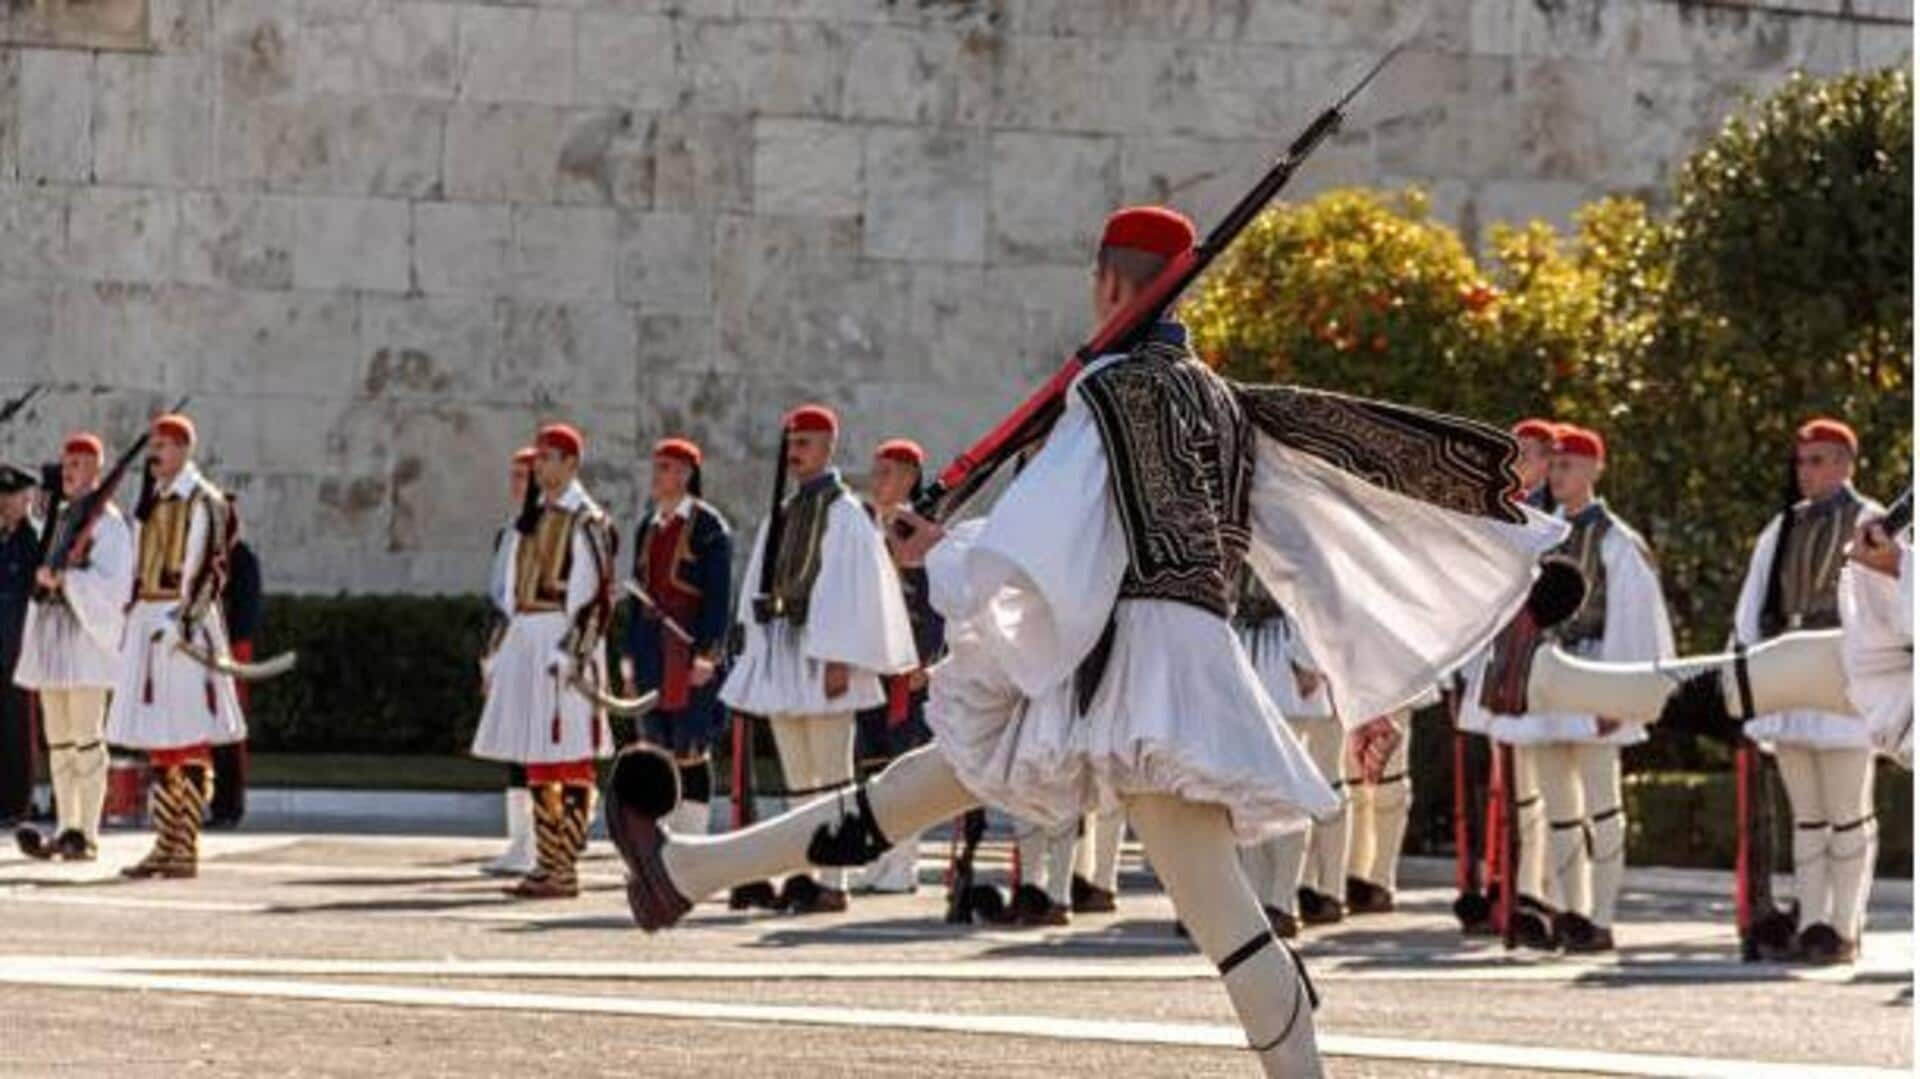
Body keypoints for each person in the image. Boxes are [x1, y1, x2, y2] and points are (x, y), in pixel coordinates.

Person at [609, 204, 1565, 1076]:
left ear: (1111, 284)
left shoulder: (1109, 394)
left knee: (1226, 920)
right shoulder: (1222, 403)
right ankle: (684, 870)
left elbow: (1051, 541)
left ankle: (1297, 1053)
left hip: (1127, 667)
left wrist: (941, 557)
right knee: (918, 789)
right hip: (1165, 657)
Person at [1476, 426, 1675, 952]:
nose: (1558, 474)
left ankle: (1602, 915)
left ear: (1592, 470)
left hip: (1595, 674)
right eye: (1555, 465)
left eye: (1568, 466)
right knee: (1561, 807)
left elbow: (1634, 620)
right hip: (1551, 676)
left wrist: (1621, 695)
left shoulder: (1616, 539)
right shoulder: (1545, 534)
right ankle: (1570, 910)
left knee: (1602, 806)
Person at [716, 405, 917, 915]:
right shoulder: (783, 511)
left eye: (804, 443)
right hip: (785, 651)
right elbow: (759, 583)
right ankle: (803, 871)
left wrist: (839, 658)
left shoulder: (845, 513)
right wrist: (751, 641)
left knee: (831, 777)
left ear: (828, 447)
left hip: (826, 657)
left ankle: (834, 880)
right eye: (791, 443)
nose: (795, 452)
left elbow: (853, 592)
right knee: (798, 776)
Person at [1729, 418, 1882, 963]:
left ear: (1846, 463)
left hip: (1844, 672)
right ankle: (1813, 921)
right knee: (1808, 815)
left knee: (1848, 813)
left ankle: (1844, 926)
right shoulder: (1783, 527)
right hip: (1790, 672)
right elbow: (1752, 608)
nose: (1807, 471)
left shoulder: (1871, 523)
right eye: (1802, 461)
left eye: (1819, 460)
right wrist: (1743, 679)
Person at [470, 424, 616, 899]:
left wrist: (572, 653)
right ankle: (546, 861)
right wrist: (498, 654)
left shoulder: (586, 519)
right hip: (529, 639)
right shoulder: (529, 519)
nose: (541, 467)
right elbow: (508, 594)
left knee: (569, 754)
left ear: (572, 463)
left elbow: (596, 598)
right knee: (536, 752)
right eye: (539, 459)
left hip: (562, 641)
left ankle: (564, 865)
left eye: (550, 458)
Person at [106, 414, 246, 879]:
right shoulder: (155, 499)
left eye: (164, 446)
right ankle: (167, 840)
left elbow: (208, 569)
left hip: (179, 622)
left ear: (185, 448)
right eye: (154, 447)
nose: (156, 455)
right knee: (158, 738)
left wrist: (182, 623)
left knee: (184, 736)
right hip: (149, 620)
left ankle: (184, 843)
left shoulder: (202, 501)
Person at [14, 433, 132, 860]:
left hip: (85, 639)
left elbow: (114, 586)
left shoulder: (111, 526)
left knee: (86, 737)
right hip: (52, 633)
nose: (69, 470)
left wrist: (69, 581)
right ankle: (65, 826)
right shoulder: (61, 517)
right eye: (66, 463)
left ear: (97, 471)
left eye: (79, 464)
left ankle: (88, 831)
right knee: (58, 739)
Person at [622, 437, 733, 839]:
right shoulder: (647, 527)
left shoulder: (708, 527)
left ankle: (694, 836)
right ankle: (663, 835)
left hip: (689, 652)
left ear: (687, 474)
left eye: (666, 467)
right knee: (656, 747)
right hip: (653, 649)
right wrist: (629, 658)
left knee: (691, 747)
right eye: (656, 466)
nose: (657, 475)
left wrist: (708, 654)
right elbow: (637, 599)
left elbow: (720, 597)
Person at [853, 438, 946, 897]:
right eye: (876, 472)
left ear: (910, 477)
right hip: (870, 661)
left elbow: (936, 602)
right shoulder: (864, 526)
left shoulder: (921, 529)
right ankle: (876, 857)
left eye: (887, 472)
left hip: (907, 665)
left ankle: (902, 863)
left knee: (903, 766)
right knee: (870, 764)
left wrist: (927, 658)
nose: (878, 482)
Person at [479, 446, 539, 877]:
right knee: (513, 746)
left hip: (539, 649)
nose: (517, 483)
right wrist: (489, 657)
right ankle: (519, 841)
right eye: (514, 474)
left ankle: (542, 841)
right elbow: (498, 599)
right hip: (510, 648)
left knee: (539, 746)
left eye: (525, 475)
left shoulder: (550, 529)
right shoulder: (509, 532)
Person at [209, 526, 261, 829]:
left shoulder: (241, 558)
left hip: (232, 648)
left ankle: (230, 803)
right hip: (213, 645)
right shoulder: (213, 555)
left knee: (230, 725)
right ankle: (215, 799)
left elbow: (244, 612)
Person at [0, 463, 41, 826]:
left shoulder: (36, 541)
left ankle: (16, 802)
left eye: (11, 497)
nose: (4, 504)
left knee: (17, 725)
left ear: (27, 498)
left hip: (21, 645)